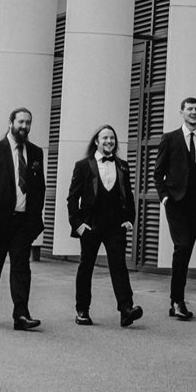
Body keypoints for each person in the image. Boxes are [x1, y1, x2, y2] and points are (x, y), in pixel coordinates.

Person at [0, 106, 45, 330]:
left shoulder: (35, 153)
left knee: (22, 268)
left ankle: (21, 315)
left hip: (22, 223)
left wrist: (35, 220)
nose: (24, 127)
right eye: (21, 122)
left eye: (28, 123)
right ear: (11, 123)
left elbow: (39, 188)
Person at [66, 123, 142, 328]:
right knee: (86, 266)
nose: (109, 141)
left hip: (115, 225)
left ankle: (126, 309)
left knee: (119, 266)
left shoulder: (123, 165)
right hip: (91, 225)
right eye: (105, 138)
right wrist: (78, 224)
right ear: (97, 142)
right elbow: (72, 198)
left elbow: (128, 195)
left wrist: (129, 219)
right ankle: (82, 310)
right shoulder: (83, 165)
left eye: (112, 138)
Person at [153, 96, 196, 321]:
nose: (194, 112)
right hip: (176, 203)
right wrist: (165, 198)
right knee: (182, 246)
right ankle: (178, 300)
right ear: (182, 112)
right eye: (189, 109)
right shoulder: (170, 139)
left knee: (186, 251)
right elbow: (158, 173)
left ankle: (175, 300)